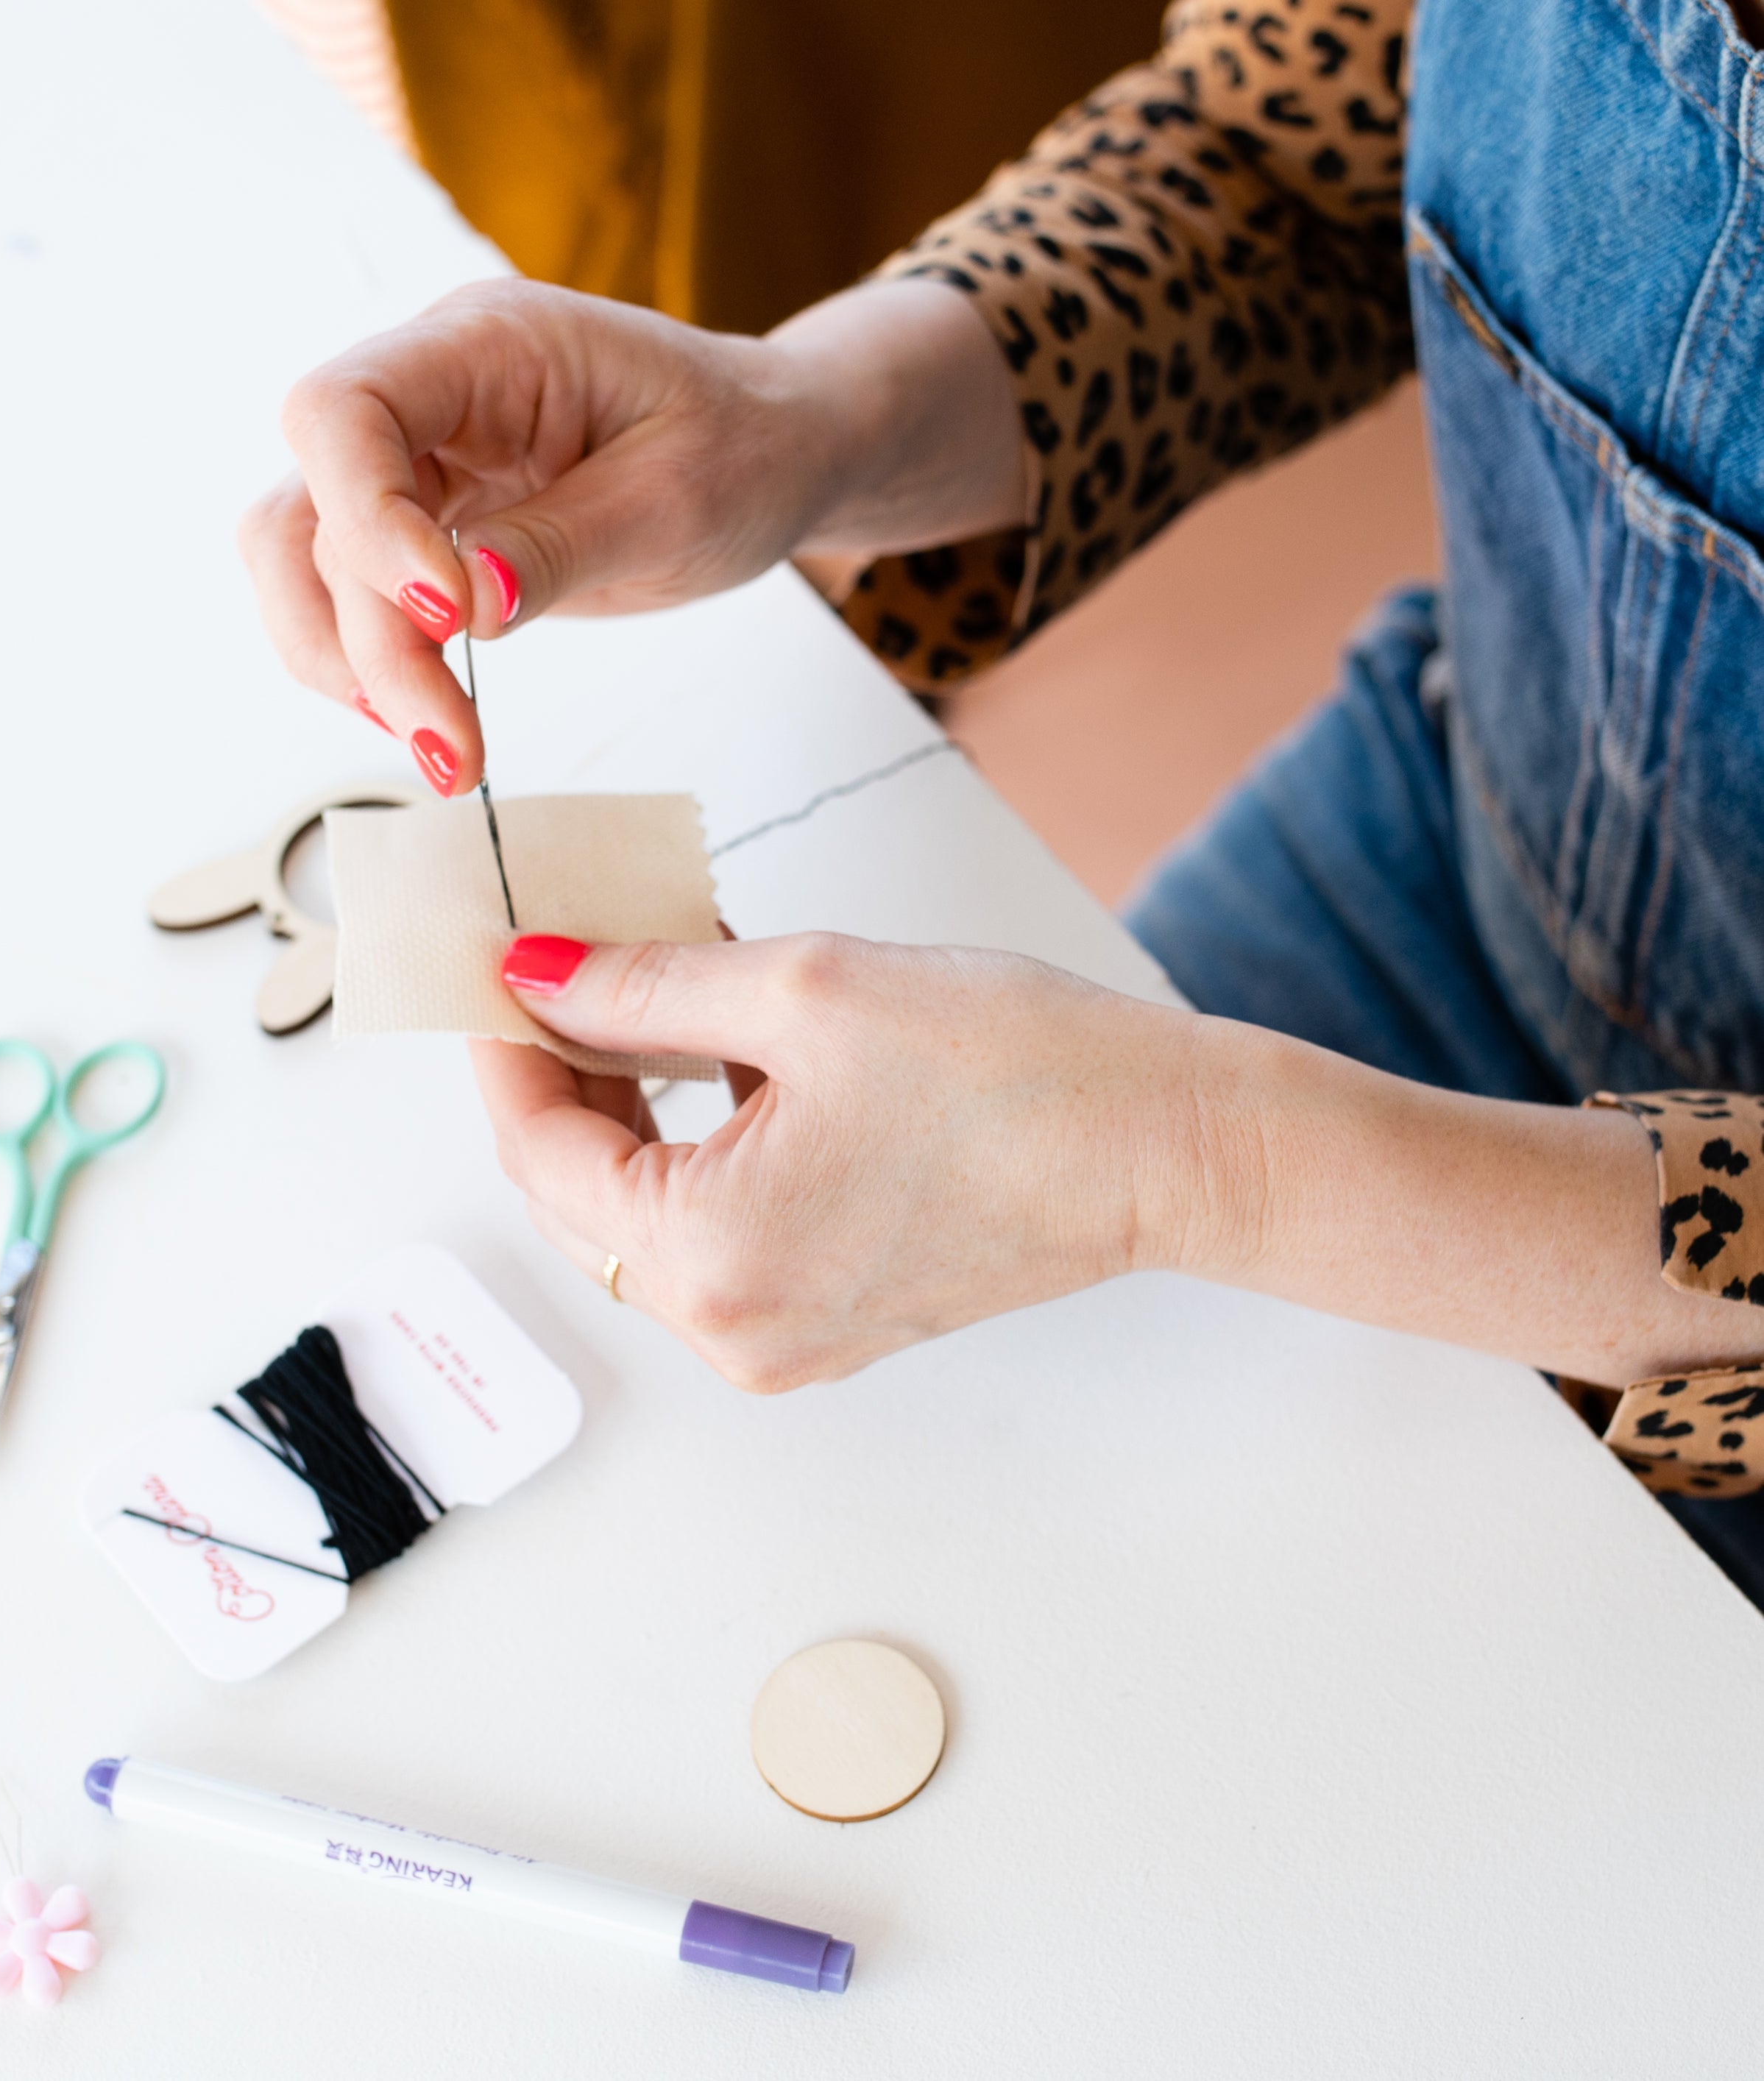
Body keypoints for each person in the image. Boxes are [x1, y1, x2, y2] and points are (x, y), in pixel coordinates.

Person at [238, 0, 1764, 1595]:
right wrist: (805, 416)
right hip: (1469, 829)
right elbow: (1300, 140)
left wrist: (1200, 1166)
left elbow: (1188, 1154)